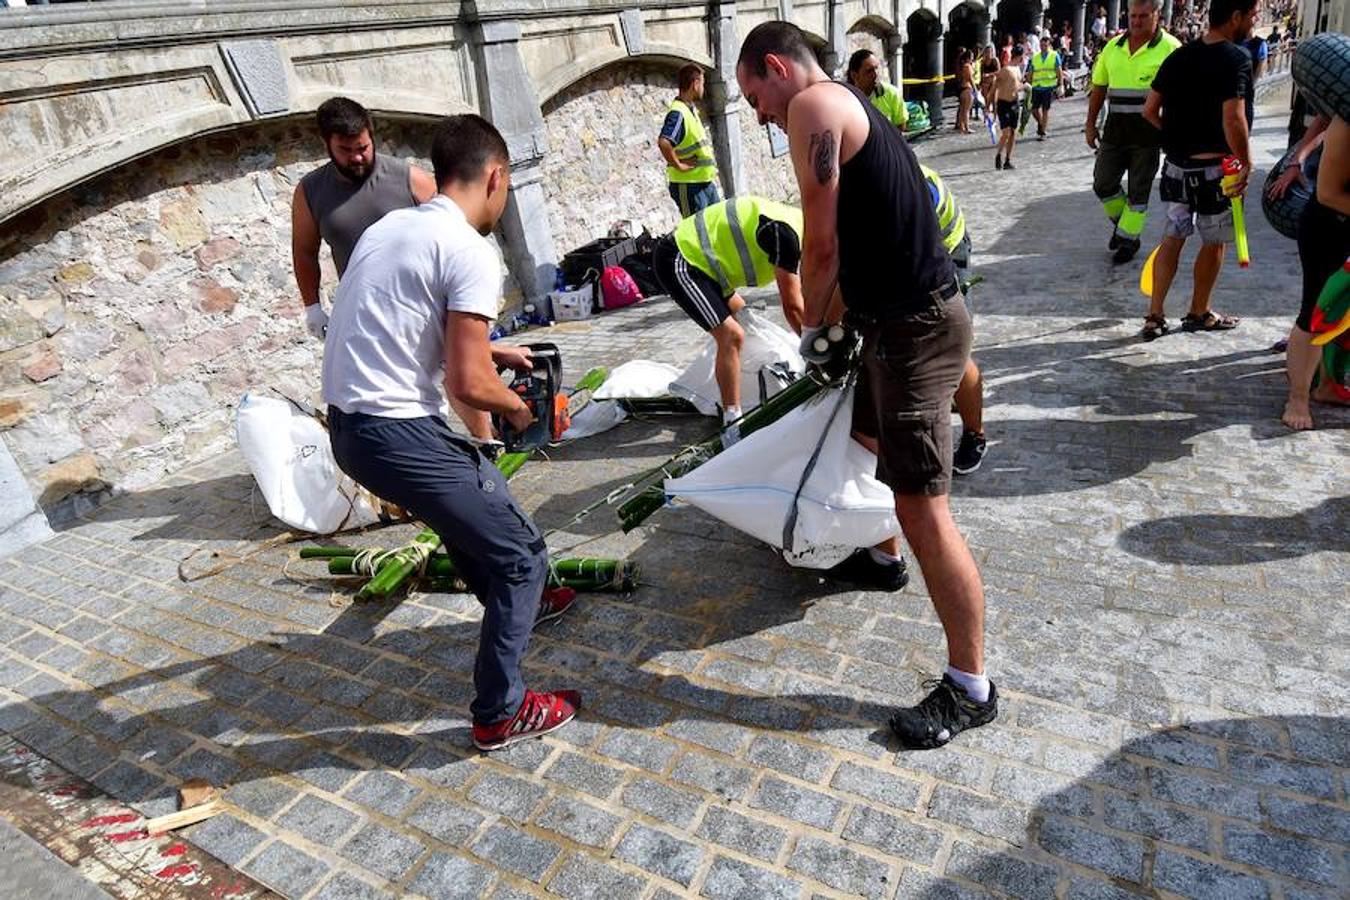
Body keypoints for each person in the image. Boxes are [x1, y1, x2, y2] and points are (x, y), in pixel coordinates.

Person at [737, 21, 998, 748]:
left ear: (774, 68)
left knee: (925, 512)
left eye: (753, 94)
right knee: (861, 438)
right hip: (894, 323)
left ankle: (971, 686)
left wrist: (814, 335)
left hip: (917, 330)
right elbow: (864, 238)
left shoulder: (813, 107)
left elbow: (822, 245)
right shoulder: (847, 102)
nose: (757, 113)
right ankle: (881, 562)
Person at [321, 115, 581, 752]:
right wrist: (524, 413)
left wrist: (498, 354)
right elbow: (466, 385)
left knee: (475, 497)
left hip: (353, 429)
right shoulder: (471, 250)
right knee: (522, 553)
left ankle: (524, 606)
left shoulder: (395, 227)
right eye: (507, 187)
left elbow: (418, 327)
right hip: (394, 428)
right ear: (496, 176)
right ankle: (500, 710)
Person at [1139, 0, 1256, 339]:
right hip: (1214, 173)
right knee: (1214, 241)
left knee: (1171, 237)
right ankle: (1198, 311)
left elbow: (1149, 110)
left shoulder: (1178, 56)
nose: (1253, 21)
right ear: (1235, 17)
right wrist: (1245, 163)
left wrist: (1175, 137)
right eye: (1251, 15)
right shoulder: (1237, 59)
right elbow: (1234, 118)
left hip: (1176, 170)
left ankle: (1155, 314)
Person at [651, 197, 806, 439]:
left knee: (744, 318)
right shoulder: (786, 235)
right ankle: (732, 422)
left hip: (710, 266)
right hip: (681, 259)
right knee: (732, 335)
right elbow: (793, 306)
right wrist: (816, 349)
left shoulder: (802, 228)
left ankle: (723, 392)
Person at [292, 97, 437, 341]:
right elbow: (304, 251)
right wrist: (313, 308)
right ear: (326, 144)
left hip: (424, 310)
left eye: (363, 148)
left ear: (371, 137)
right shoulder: (310, 191)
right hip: (365, 320)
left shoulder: (411, 179)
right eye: (346, 150)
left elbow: (454, 233)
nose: (357, 157)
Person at [1085, 0, 1181, 264]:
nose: (1136, 21)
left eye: (1143, 16)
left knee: (1139, 191)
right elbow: (1099, 88)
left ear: (1156, 15)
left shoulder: (1172, 49)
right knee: (1103, 183)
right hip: (1115, 129)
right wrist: (1090, 124)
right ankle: (1124, 227)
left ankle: (1128, 241)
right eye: (1133, 16)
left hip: (1149, 134)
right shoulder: (1112, 47)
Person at [1283, 115, 1350, 429]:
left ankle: (1327, 386)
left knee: (1345, 313)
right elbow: (1329, 194)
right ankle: (1298, 398)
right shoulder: (1345, 123)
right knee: (1315, 312)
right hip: (1329, 228)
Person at [922, 165, 988, 474]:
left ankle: (975, 434)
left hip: (945, 253)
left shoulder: (910, 187)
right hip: (912, 255)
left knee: (954, 350)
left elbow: (919, 254)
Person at [659, 64, 722, 217]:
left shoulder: (689, 109)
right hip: (689, 186)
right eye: (702, 83)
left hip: (704, 182)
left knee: (717, 224)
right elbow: (664, 142)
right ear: (695, 84)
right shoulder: (678, 113)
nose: (703, 88)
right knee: (698, 234)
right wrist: (679, 165)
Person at [845, 49, 909, 132]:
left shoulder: (892, 93)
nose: (876, 74)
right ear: (854, 75)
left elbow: (901, 126)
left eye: (876, 68)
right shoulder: (845, 98)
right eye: (869, 71)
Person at [993, 45, 1025, 170]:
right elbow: (995, 83)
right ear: (1020, 56)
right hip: (1004, 103)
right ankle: (998, 154)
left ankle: (1008, 160)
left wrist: (1025, 86)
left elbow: (1017, 86)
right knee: (1005, 132)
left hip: (1014, 103)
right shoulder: (1006, 69)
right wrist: (990, 105)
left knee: (1012, 132)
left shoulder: (1018, 69)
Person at [1026, 41, 1063, 139]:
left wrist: (1061, 84)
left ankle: (1042, 132)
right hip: (1036, 86)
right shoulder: (1035, 57)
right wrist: (1028, 84)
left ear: (1049, 45)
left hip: (1049, 86)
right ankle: (1041, 123)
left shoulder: (1054, 55)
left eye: (1045, 45)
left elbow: (1059, 70)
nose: (1043, 47)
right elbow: (1030, 71)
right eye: (1041, 45)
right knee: (1034, 110)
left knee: (1045, 109)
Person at [956, 49, 976, 134]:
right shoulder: (967, 66)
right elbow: (970, 78)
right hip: (967, 88)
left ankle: (962, 126)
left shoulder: (962, 66)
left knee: (962, 109)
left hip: (962, 88)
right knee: (966, 109)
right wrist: (975, 88)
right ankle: (967, 127)